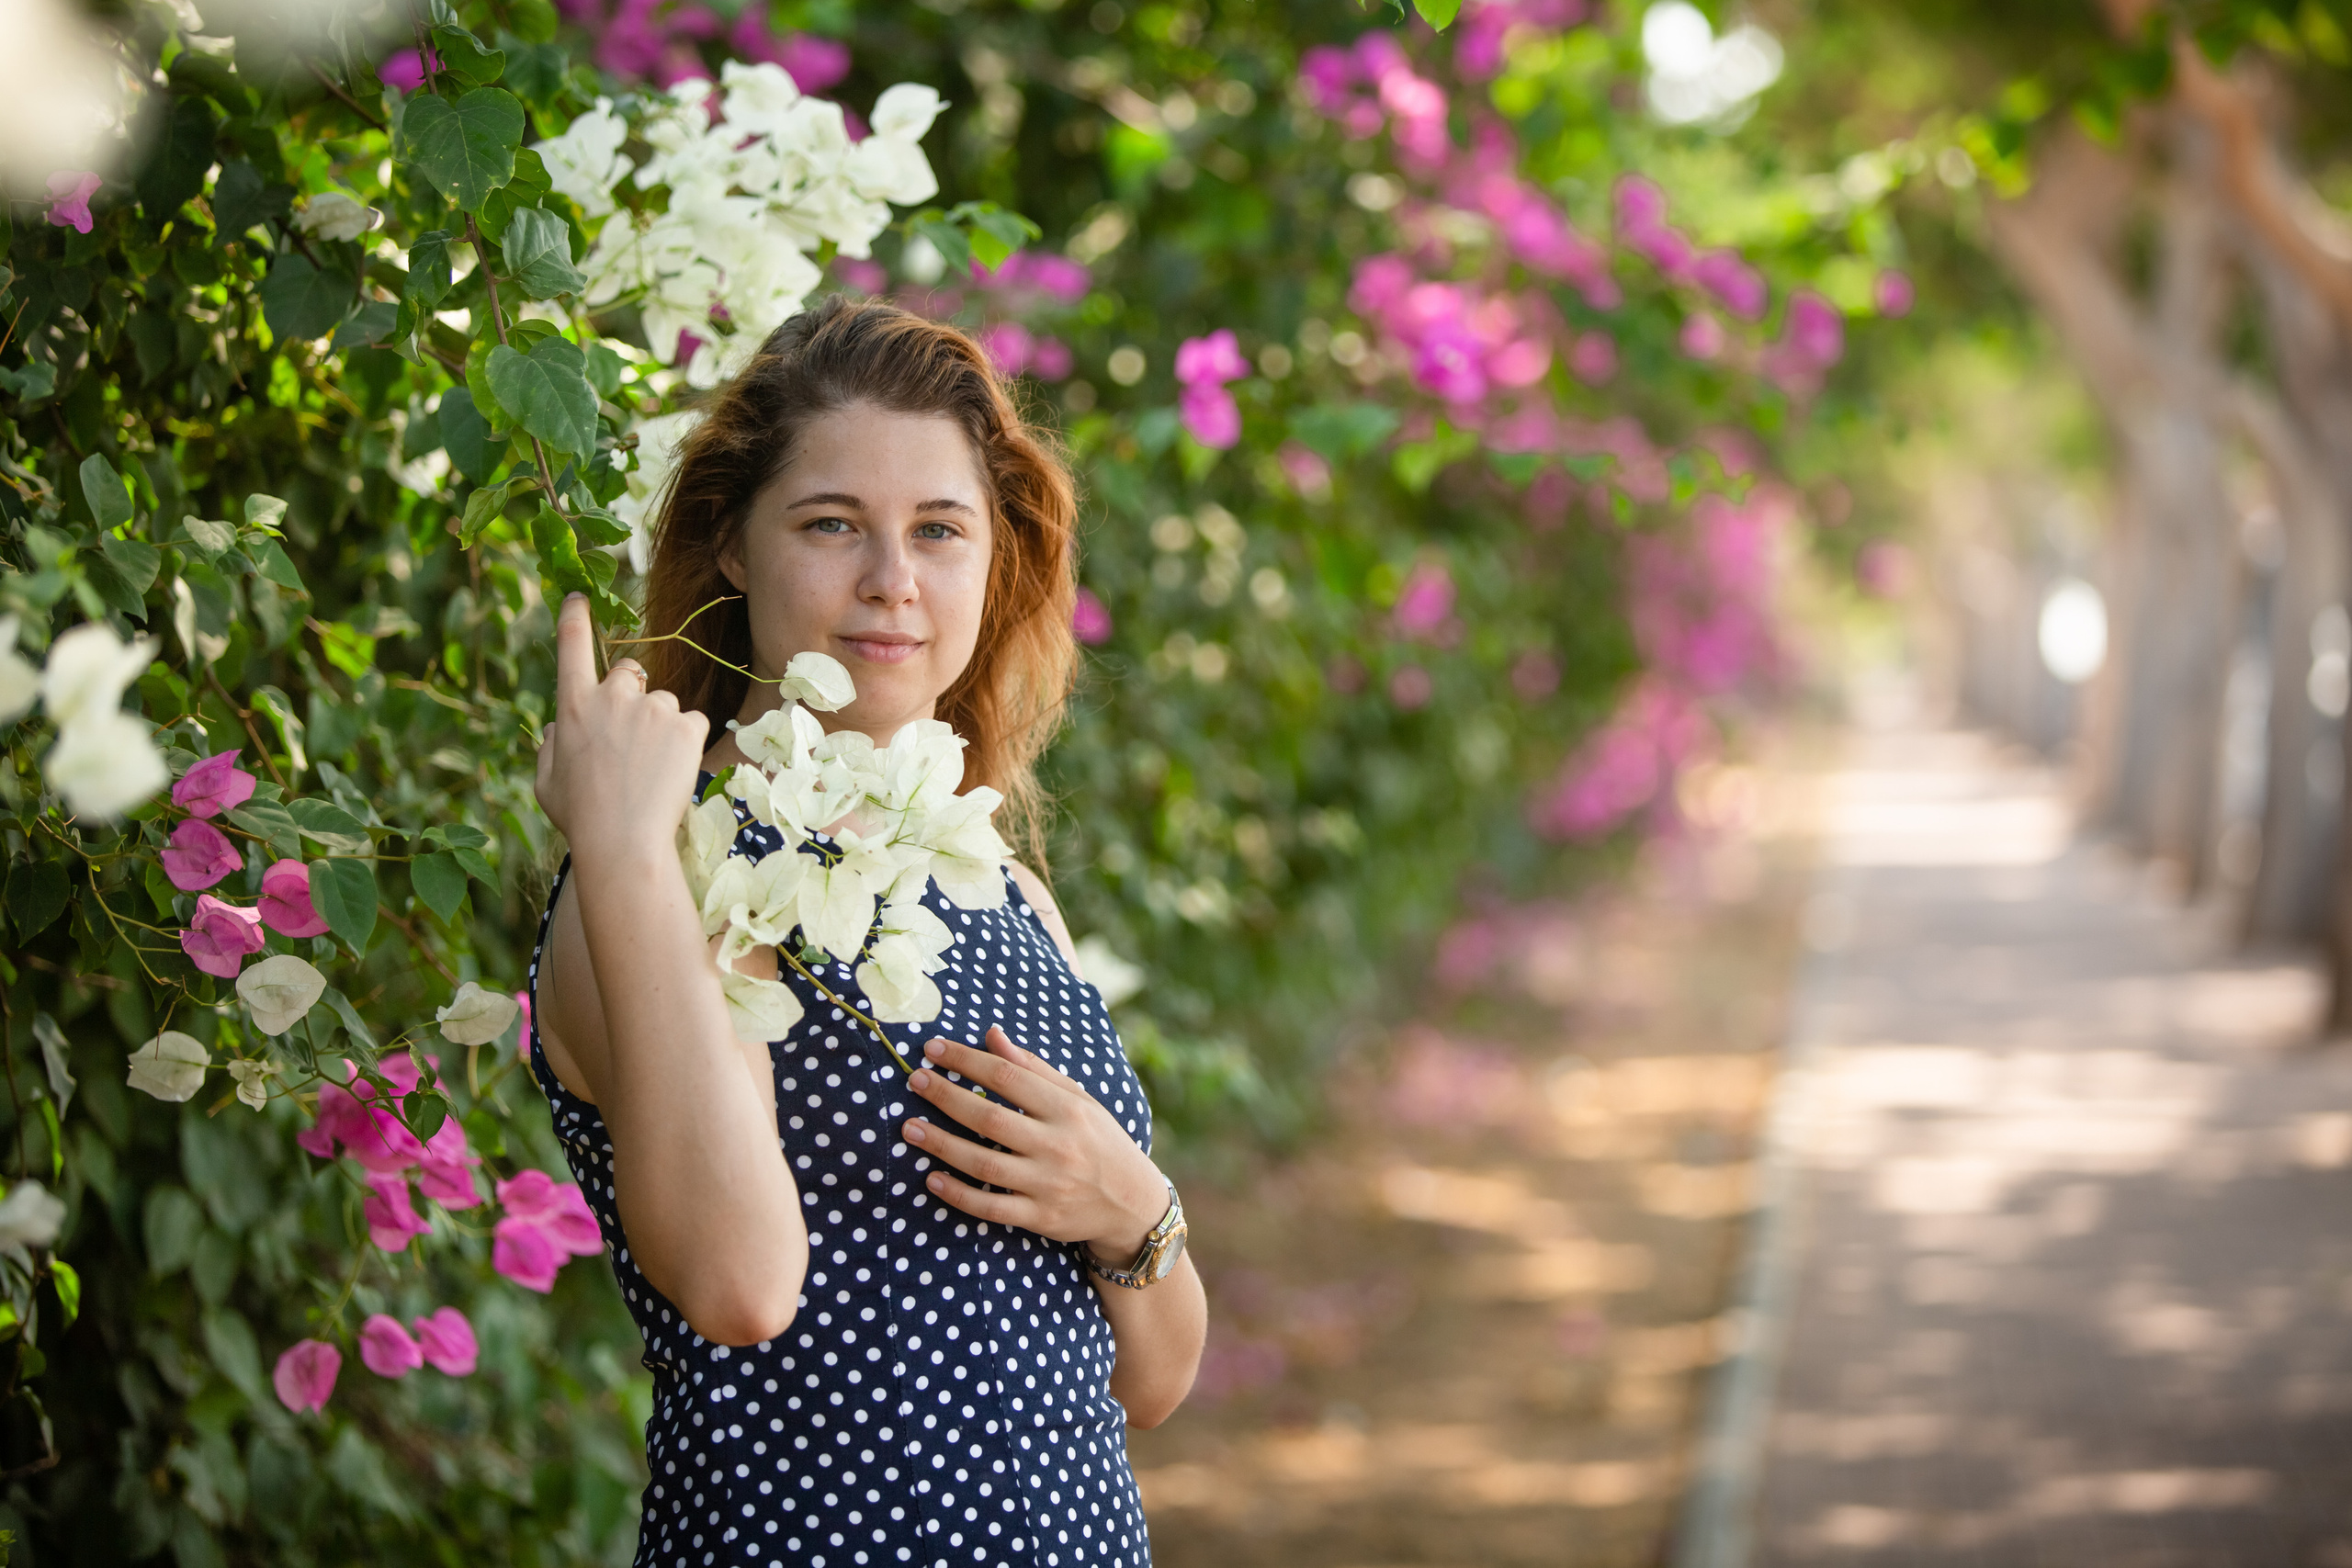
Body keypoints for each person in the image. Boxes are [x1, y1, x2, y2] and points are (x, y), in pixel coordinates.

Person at [526, 295, 1205, 1568]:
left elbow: (1145, 1387)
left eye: (939, 530)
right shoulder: (665, 870)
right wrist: (620, 851)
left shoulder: (997, 875)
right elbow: (739, 1285)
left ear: (994, 556)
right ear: (733, 546)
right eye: (832, 524)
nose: (893, 581)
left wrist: (1131, 1207)